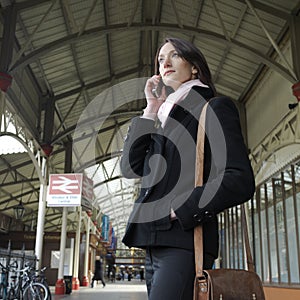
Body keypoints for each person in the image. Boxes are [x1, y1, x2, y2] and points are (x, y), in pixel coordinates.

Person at [120, 37, 255, 300]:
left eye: (175, 56)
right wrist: (150, 109)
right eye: (160, 59)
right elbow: (130, 167)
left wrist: (179, 210)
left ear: (194, 67)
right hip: (153, 244)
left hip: (185, 242)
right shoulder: (163, 120)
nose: (165, 63)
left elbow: (239, 179)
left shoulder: (213, 109)